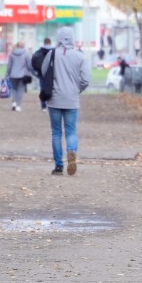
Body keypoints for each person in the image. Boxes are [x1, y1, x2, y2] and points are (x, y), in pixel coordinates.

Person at [41, 27, 90, 176]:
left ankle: (58, 166)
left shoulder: (51, 54)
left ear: (59, 38)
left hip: (54, 99)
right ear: (72, 39)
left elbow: (44, 72)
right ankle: (71, 153)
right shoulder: (79, 56)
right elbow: (86, 79)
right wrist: (77, 89)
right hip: (72, 99)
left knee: (56, 133)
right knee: (71, 132)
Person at [6, 41, 32, 111]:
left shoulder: (12, 54)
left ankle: (14, 102)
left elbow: (9, 66)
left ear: (17, 46)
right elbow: (29, 65)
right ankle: (18, 105)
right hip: (22, 75)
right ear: (23, 46)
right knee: (20, 90)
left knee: (14, 89)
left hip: (13, 74)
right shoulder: (26, 54)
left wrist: (7, 75)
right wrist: (31, 71)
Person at [31, 37, 54, 111]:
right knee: (53, 88)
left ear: (44, 43)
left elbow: (33, 63)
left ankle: (43, 105)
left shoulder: (38, 52)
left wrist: (36, 71)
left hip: (41, 73)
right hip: (52, 73)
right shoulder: (54, 52)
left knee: (42, 88)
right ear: (50, 42)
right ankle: (51, 103)